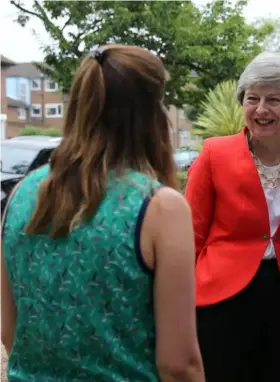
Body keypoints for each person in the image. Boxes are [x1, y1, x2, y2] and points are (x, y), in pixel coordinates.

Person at [1, 45, 204, 382]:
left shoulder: (23, 193)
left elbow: (10, 331)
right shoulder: (160, 208)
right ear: (152, 114)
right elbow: (179, 365)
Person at [184, 51, 280, 382]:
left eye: (273, 100)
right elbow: (190, 238)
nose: (261, 109)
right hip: (220, 299)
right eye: (253, 98)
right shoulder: (214, 154)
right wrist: (177, 313)